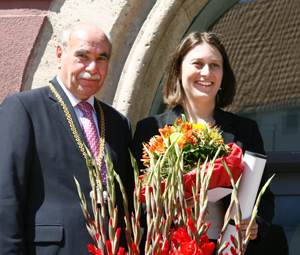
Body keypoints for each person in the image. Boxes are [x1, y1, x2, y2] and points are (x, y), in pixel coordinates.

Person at [131, 32, 275, 254]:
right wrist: (169, 204)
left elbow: (264, 199)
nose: (206, 73)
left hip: (228, 248)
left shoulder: (246, 130)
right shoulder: (150, 130)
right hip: (170, 247)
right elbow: (134, 200)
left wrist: (256, 226)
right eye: (197, 64)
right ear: (179, 71)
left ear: (223, 75)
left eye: (215, 65)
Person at [0, 23, 134, 254]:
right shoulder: (24, 108)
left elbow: (128, 198)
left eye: (102, 58)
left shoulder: (118, 122)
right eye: (83, 55)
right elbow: (6, 194)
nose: (92, 67)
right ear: (60, 55)